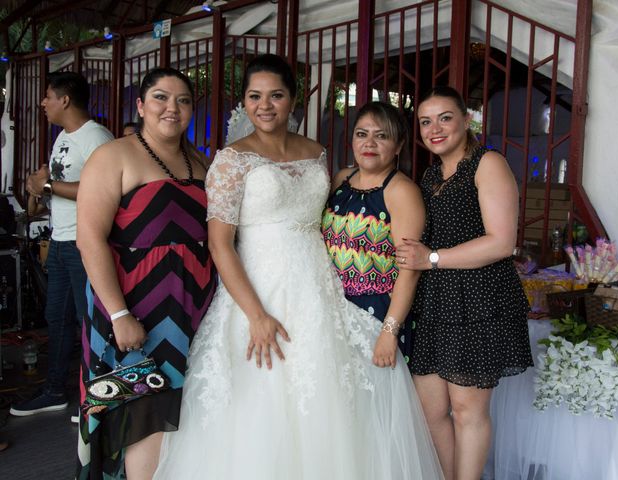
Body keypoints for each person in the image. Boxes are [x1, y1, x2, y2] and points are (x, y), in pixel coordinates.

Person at [154, 54, 443, 480]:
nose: (265, 105)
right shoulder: (232, 160)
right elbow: (220, 244)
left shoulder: (317, 153)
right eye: (255, 96)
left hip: (317, 288)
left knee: (328, 399)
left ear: (293, 101)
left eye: (276, 95)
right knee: (260, 399)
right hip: (257, 291)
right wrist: (256, 315)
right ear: (245, 102)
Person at [75, 67, 216, 479]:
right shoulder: (113, 155)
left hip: (193, 305)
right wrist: (118, 314)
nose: (172, 108)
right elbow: (90, 239)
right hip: (134, 305)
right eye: (160, 97)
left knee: (182, 411)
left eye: (183, 100)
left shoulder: (200, 162)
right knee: (140, 412)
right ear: (140, 105)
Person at [396, 86, 532, 480]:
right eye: (425, 121)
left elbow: (502, 242)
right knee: (431, 410)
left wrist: (432, 258)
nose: (434, 128)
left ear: (466, 120)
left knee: (468, 410)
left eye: (445, 117)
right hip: (437, 301)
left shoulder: (488, 163)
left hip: (481, 299)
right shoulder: (430, 173)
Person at [10, 72, 114, 417]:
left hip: (85, 243)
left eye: (48, 96)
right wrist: (39, 190)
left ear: (65, 100)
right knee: (57, 317)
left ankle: (98, 393)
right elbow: (53, 184)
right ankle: (56, 389)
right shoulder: (63, 138)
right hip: (60, 240)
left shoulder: (96, 137)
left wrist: (49, 186)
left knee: (91, 320)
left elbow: (104, 188)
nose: (43, 103)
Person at [322, 101, 425, 367]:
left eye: (381, 136)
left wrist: (389, 332)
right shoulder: (341, 179)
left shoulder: (401, 191)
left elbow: (409, 269)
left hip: (377, 312)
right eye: (362, 134)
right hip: (333, 307)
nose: (369, 143)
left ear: (399, 146)